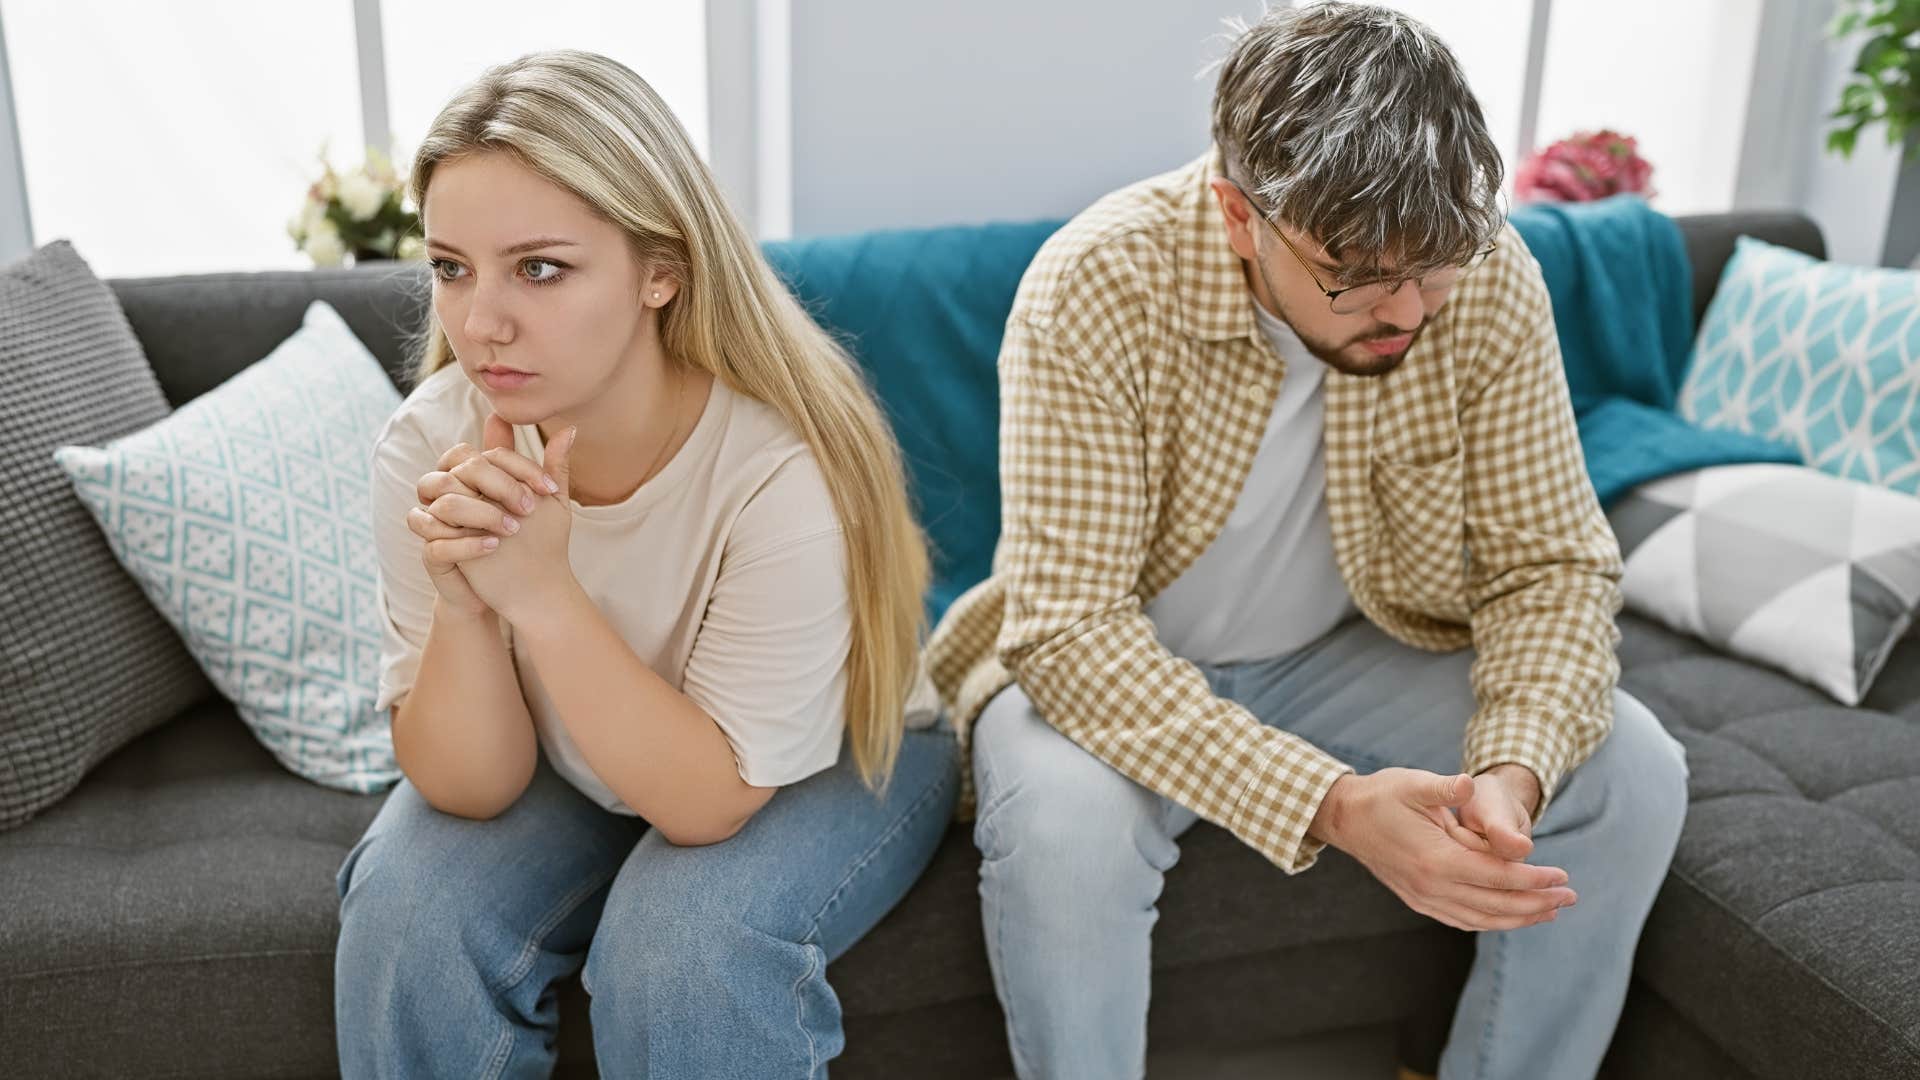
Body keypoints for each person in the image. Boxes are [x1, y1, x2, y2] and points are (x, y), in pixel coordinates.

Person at [923, 4, 1690, 1077]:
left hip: (1339, 656)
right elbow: (1071, 634)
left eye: (1435, 269)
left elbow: (1547, 566)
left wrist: (1511, 779)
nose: (1412, 309)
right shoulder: (1094, 283)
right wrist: (1331, 806)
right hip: (1111, 665)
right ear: (1242, 217)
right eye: (1361, 276)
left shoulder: (1479, 274)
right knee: (1063, 835)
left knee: (1634, 771)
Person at [333, 49, 956, 1079]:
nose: (482, 321)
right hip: (585, 752)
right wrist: (464, 606)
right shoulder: (429, 443)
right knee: (404, 910)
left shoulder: (777, 467)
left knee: (681, 945)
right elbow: (471, 787)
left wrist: (539, 593)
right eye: (452, 268)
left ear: (659, 272)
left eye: (539, 268)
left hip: (831, 752)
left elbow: (708, 800)